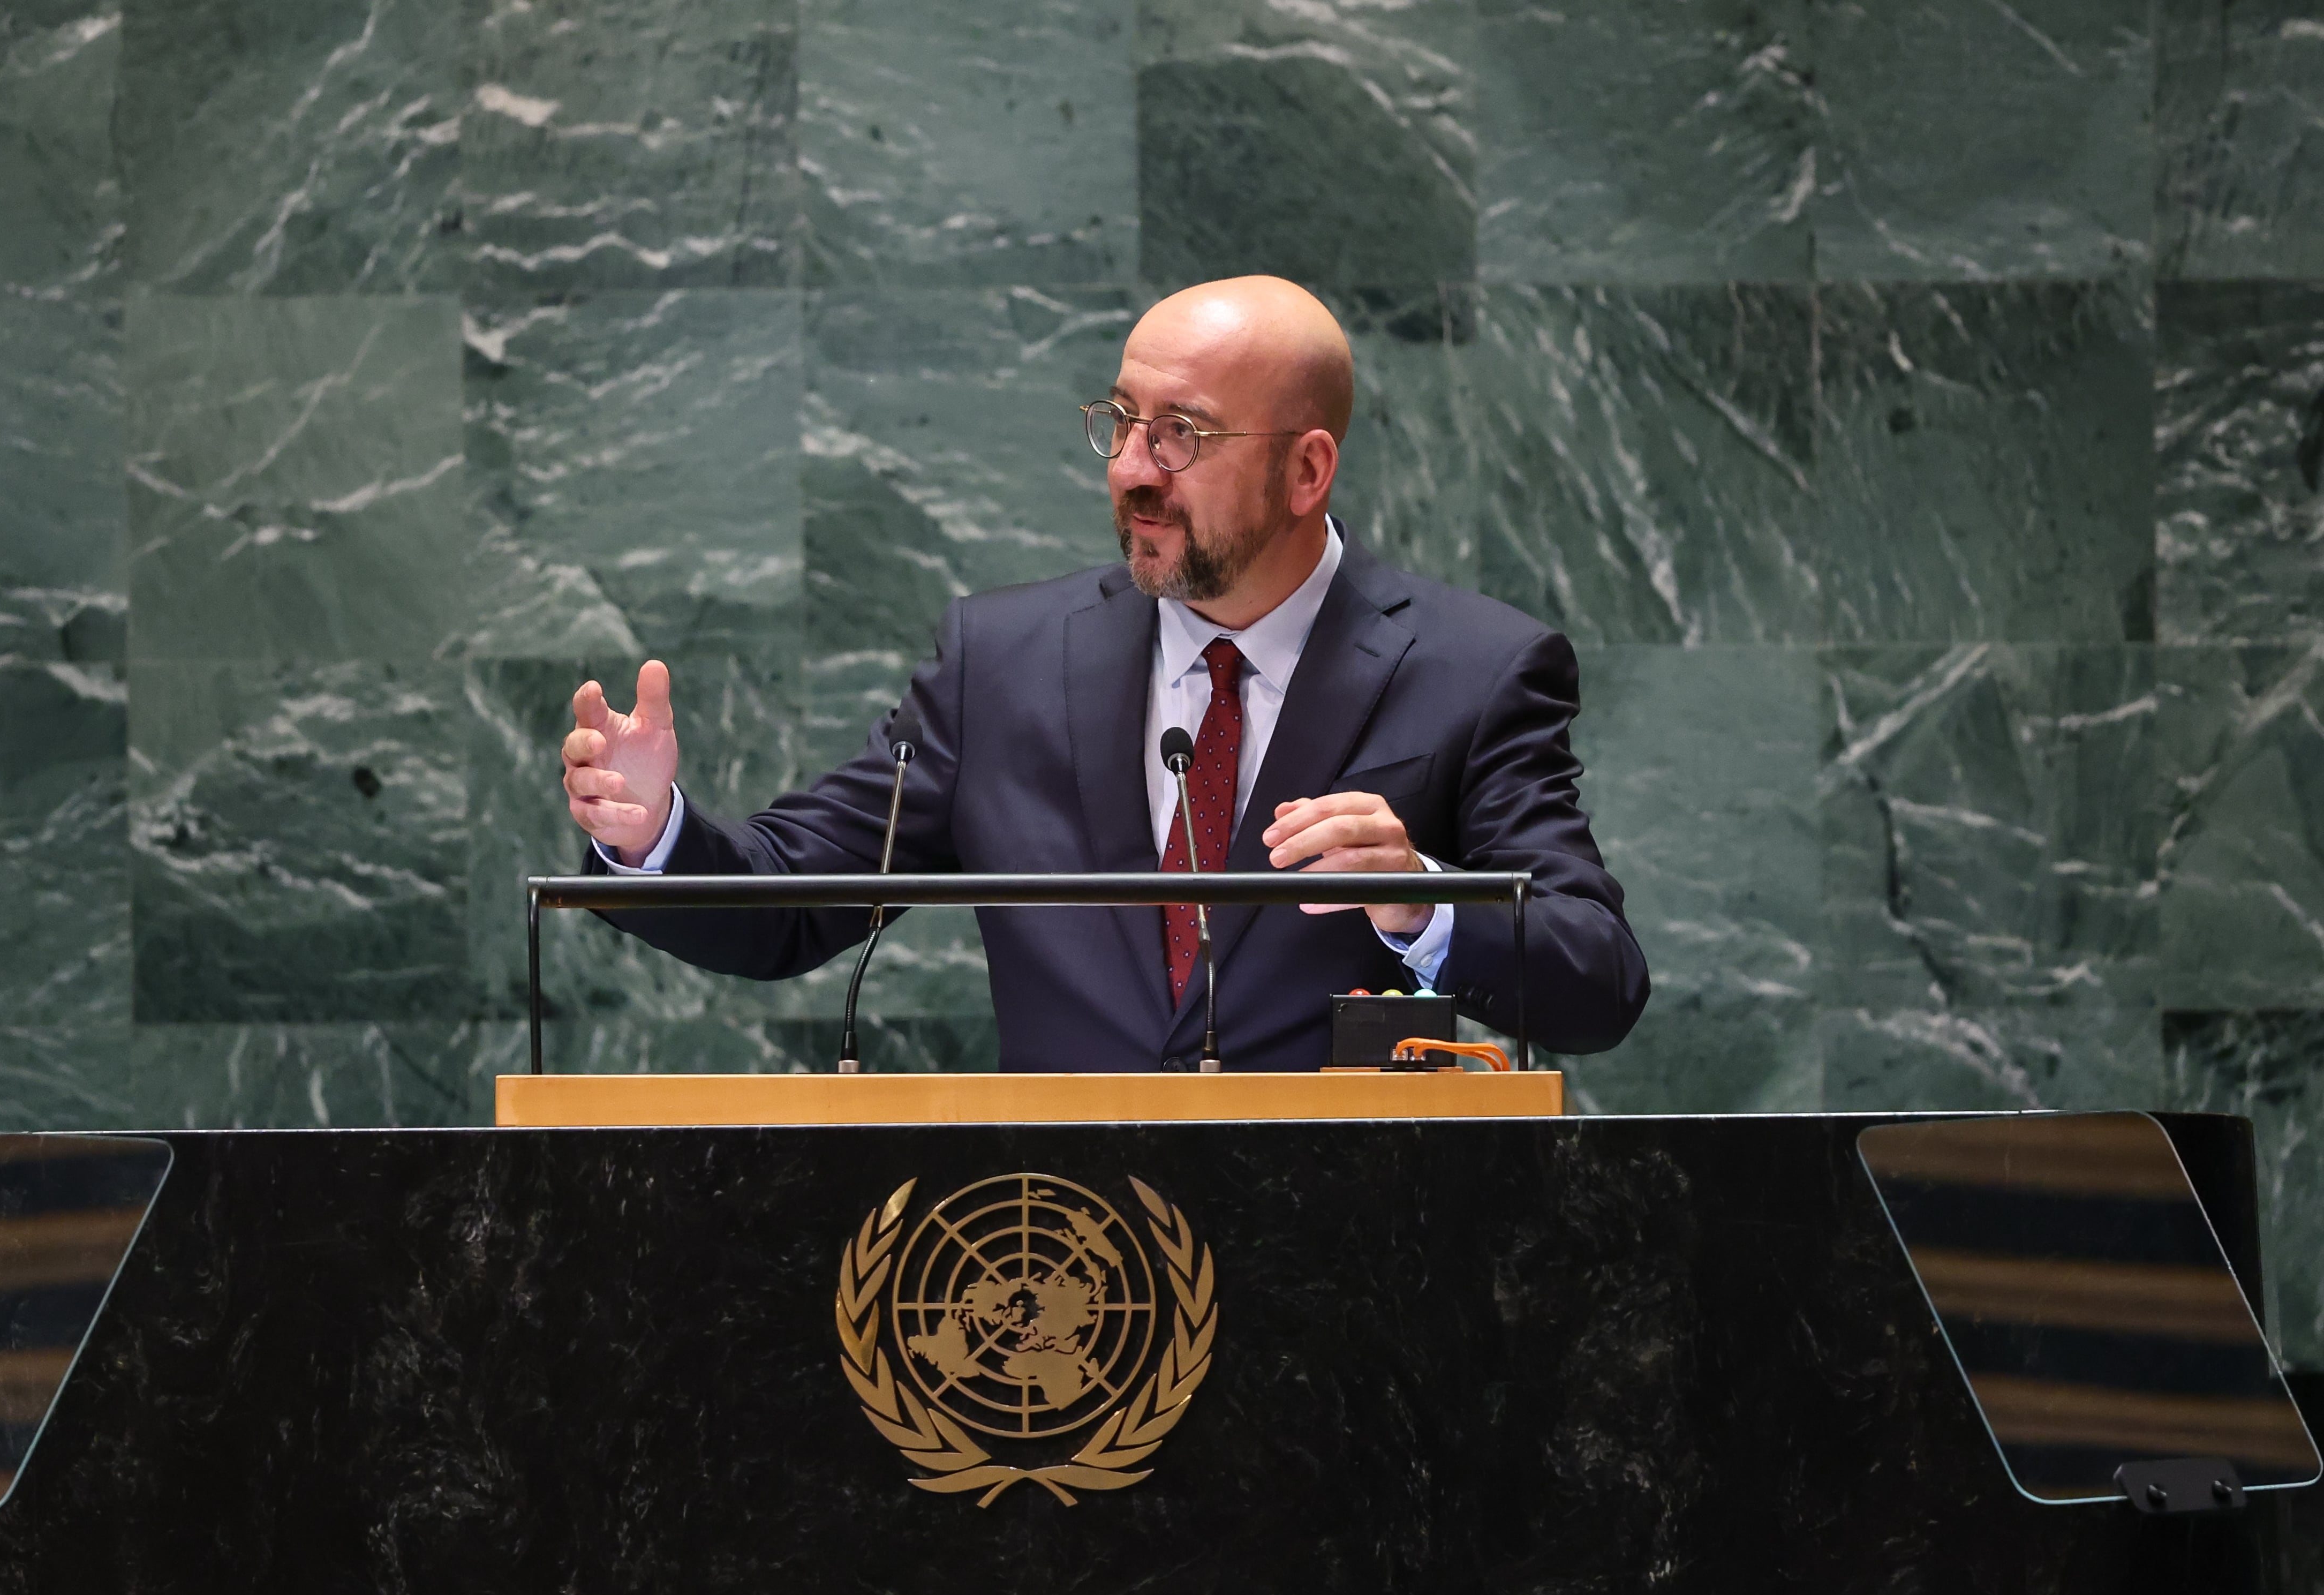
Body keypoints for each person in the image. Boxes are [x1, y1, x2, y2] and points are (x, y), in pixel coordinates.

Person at [559, 276, 1648, 1071]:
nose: (1132, 469)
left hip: (1350, 1283)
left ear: (1305, 468)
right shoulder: (1005, 663)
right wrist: (648, 833)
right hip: (1069, 1284)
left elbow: (1596, 982)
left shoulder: (1475, 669)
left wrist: (1420, 901)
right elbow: (788, 906)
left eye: (1181, 435)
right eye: (1123, 423)